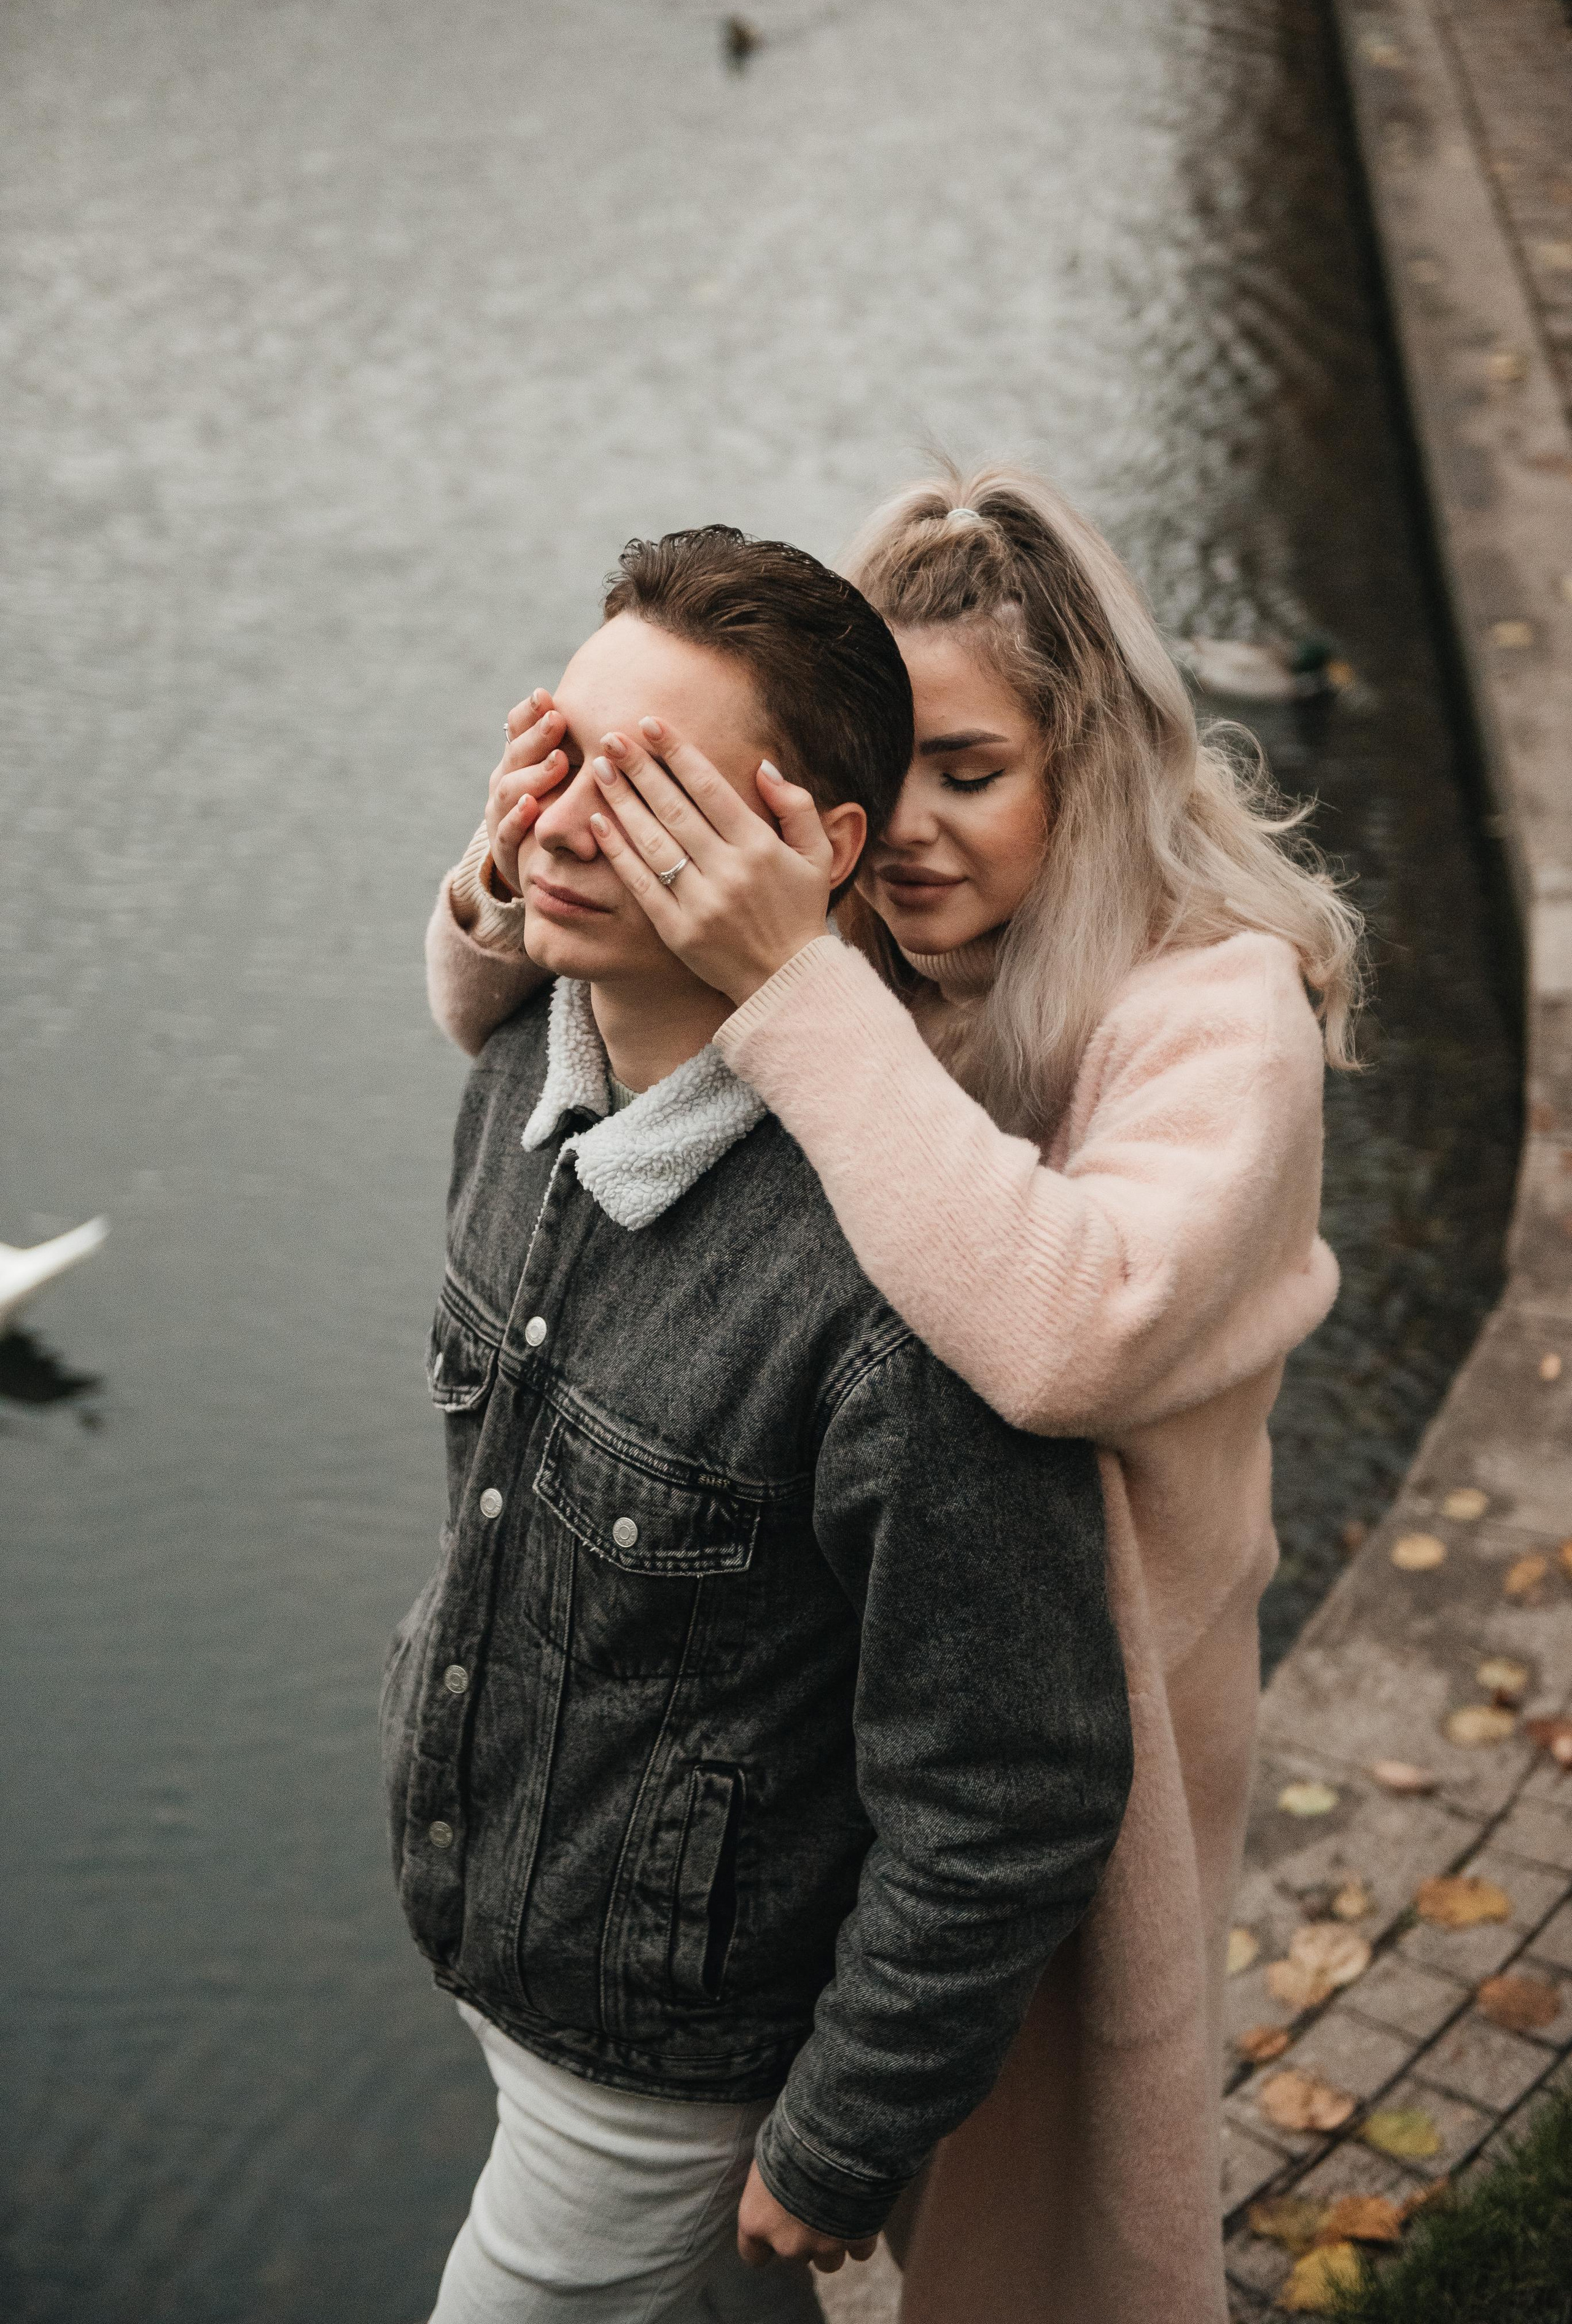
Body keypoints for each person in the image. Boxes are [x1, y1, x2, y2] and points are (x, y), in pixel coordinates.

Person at [427, 465, 1364, 2323]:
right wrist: (523, 851)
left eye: (976, 769)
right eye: (891, 777)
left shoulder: (1216, 1017)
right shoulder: (850, 939)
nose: (918, 832)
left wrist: (788, 967)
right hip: (819, 1726)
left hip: (1083, 1713)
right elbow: (524, 1022)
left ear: (1088, 763)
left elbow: (1062, 1328)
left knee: (1025, 2238)